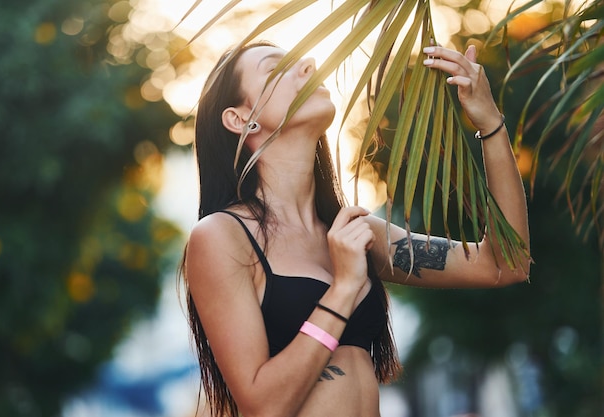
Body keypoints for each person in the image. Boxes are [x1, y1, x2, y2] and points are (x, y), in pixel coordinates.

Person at [181, 40, 530, 417]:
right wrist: (344, 287)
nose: (309, 64)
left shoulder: (355, 233)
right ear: (240, 118)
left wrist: (490, 123)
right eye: (275, 68)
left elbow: (504, 264)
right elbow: (263, 405)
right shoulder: (221, 237)